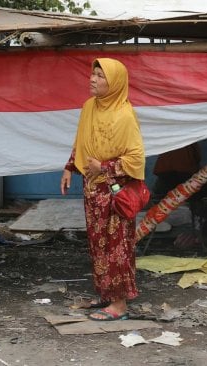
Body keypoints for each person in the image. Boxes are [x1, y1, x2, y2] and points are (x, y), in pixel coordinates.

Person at [60, 58, 145, 321]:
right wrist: (70, 167)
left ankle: (119, 305)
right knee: (98, 246)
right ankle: (106, 294)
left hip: (114, 192)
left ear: (115, 83)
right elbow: (82, 141)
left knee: (117, 246)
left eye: (100, 76)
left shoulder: (125, 114)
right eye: (93, 74)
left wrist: (105, 167)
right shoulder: (89, 107)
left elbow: (136, 159)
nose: (93, 79)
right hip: (92, 190)